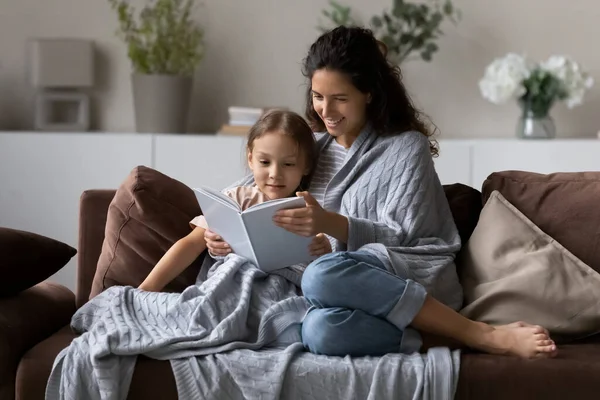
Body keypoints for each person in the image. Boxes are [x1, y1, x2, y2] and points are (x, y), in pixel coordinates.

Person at [205, 26, 558, 359]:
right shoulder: (309, 148)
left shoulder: (406, 148)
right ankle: (431, 335)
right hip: (335, 298)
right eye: (317, 97)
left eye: (339, 98)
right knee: (318, 331)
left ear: (369, 93)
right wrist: (221, 233)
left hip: (406, 273)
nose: (325, 111)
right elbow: (248, 195)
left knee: (321, 274)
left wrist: (332, 224)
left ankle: (479, 334)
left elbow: (406, 235)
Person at [139, 110, 331, 292]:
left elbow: (324, 269)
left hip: (280, 291)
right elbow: (190, 244)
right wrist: (147, 288)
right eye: (264, 162)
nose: (275, 174)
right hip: (231, 286)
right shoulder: (235, 199)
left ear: (306, 165)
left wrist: (323, 249)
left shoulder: (309, 211)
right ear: (250, 159)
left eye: (288, 164)